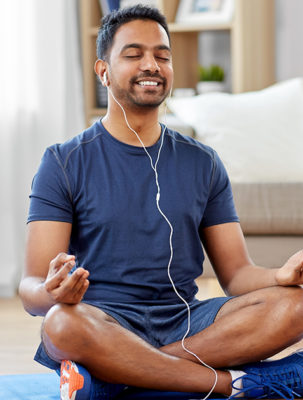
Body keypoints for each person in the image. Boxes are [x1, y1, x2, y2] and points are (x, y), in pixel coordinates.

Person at [19, 5, 303, 400]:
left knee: (298, 305)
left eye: (162, 55)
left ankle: (113, 378)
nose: (151, 65)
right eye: (133, 54)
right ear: (103, 71)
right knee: (59, 325)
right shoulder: (63, 161)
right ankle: (232, 383)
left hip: (186, 320)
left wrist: (280, 277)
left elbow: (237, 276)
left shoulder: (202, 161)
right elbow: (30, 287)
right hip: (102, 320)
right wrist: (53, 293)